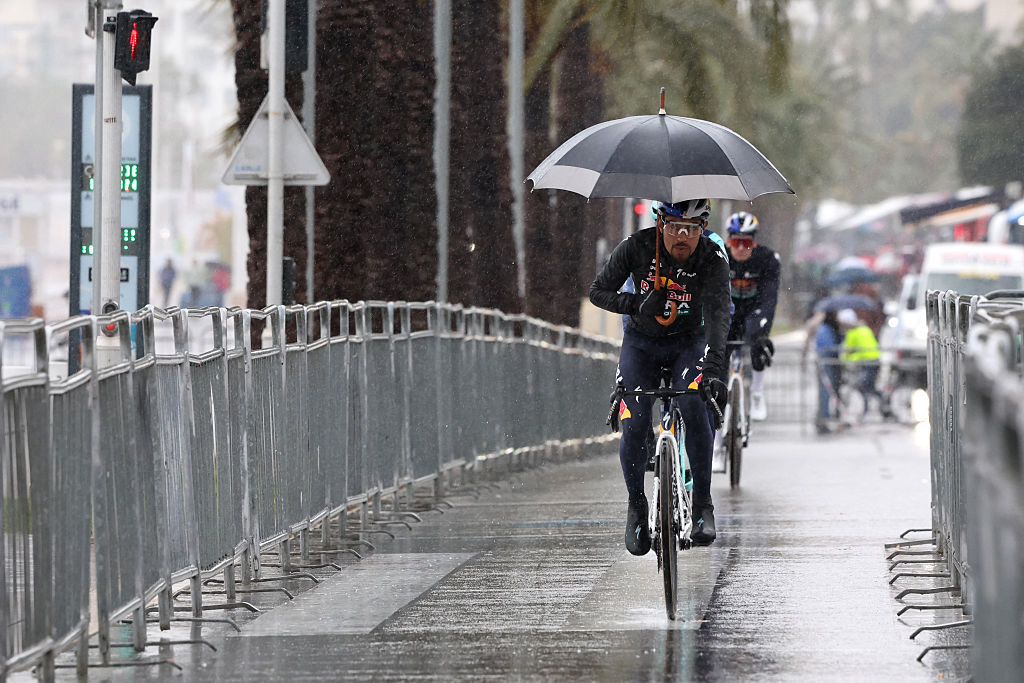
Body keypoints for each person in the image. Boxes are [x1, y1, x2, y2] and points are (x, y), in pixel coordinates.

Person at [590, 198, 731, 553]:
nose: (682, 238)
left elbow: (718, 316)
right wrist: (635, 304)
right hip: (641, 343)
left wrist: (714, 370)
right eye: (674, 228)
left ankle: (702, 504)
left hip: (689, 341)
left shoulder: (712, 260)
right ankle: (637, 507)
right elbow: (598, 292)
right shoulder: (635, 247)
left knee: (697, 405)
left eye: (692, 230)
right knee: (634, 419)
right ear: (660, 223)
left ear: (703, 229)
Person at [724, 211, 780, 421]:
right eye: (735, 241)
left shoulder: (767, 259)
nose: (740, 248)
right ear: (728, 241)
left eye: (745, 243)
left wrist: (759, 326)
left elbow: (769, 298)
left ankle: (757, 390)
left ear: (754, 243)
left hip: (755, 309)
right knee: (717, 349)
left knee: (758, 338)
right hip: (727, 309)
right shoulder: (719, 256)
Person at [839, 309, 887, 420]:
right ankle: (883, 404)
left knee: (864, 387)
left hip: (866, 363)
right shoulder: (865, 329)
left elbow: (847, 352)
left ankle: (867, 411)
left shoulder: (852, 333)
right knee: (869, 386)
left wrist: (844, 362)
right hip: (876, 360)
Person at [814, 310, 842, 434]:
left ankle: (823, 417)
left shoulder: (828, 329)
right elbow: (828, 348)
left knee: (826, 392)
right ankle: (822, 419)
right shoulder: (826, 329)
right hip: (826, 363)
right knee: (825, 392)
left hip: (828, 363)